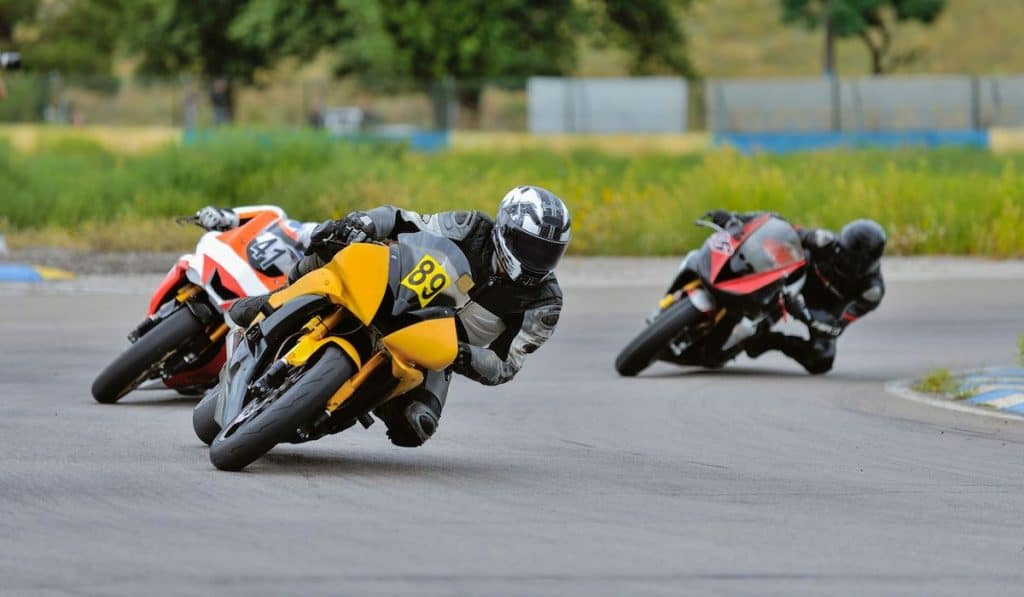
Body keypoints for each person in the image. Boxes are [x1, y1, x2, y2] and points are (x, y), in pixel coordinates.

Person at [229, 186, 571, 447]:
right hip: (407, 293)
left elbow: (506, 364)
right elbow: (404, 219)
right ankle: (277, 301)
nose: (537, 259)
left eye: (548, 252)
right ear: (505, 230)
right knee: (333, 243)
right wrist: (363, 221)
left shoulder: (544, 303)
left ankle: (339, 406)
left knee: (415, 428)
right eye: (530, 246)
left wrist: (462, 355)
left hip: (439, 350)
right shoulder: (472, 227)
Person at [684, 210, 885, 375]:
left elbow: (836, 328)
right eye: (842, 251)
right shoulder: (826, 242)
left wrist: (806, 315)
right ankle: (725, 281)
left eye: (851, 260)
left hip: (819, 312)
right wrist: (737, 219)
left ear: (868, 263)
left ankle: (769, 340)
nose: (842, 260)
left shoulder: (871, 290)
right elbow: (778, 227)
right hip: (790, 280)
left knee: (821, 359)